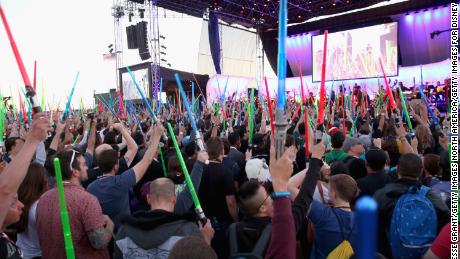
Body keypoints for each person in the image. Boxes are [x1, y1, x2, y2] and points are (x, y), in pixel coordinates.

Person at [36, 150, 114, 259]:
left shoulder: (43, 199)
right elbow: (99, 242)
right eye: (84, 165)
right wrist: (110, 225)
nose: (87, 168)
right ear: (75, 172)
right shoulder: (87, 200)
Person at [87, 123, 163, 231]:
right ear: (116, 166)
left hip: (102, 232)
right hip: (122, 233)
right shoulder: (121, 182)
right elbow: (146, 161)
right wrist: (156, 137)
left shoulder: (90, 187)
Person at [114, 178, 215, 259]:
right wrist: (206, 240)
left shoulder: (125, 230)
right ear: (174, 199)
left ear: (148, 199)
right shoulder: (188, 230)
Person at [373, 153, 450, 258]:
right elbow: (448, 223)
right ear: (421, 170)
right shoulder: (431, 196)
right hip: (427, 253)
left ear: (398, 169)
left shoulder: (381, 195)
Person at [198, 137, 237, 258]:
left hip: (203, 219)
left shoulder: (199, 170)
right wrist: (236, 219)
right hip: (222, 221)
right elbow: (230, 202)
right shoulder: (226, 172)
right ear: (222, 152)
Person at [15, 163, 48, 259]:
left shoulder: (18, 200)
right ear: (41, 181)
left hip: (21, 252)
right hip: (37, 255)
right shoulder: (39, 206)